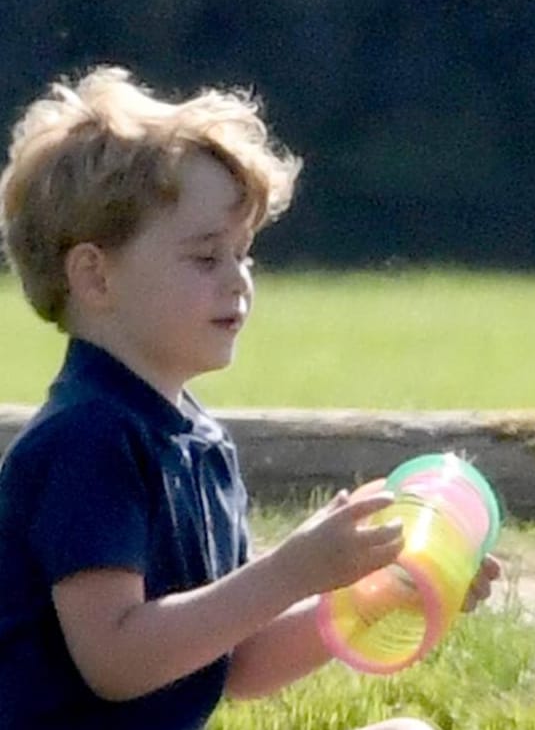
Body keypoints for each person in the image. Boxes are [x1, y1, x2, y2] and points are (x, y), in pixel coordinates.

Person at [0, 66, 500, 730]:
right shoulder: (87, 440)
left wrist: (378, 588)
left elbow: (240, 663)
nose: (238, 280)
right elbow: (116, 657)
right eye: (206, 257)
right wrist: (288, 571)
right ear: (95, 275)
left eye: (245, 254)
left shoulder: (200, 443)